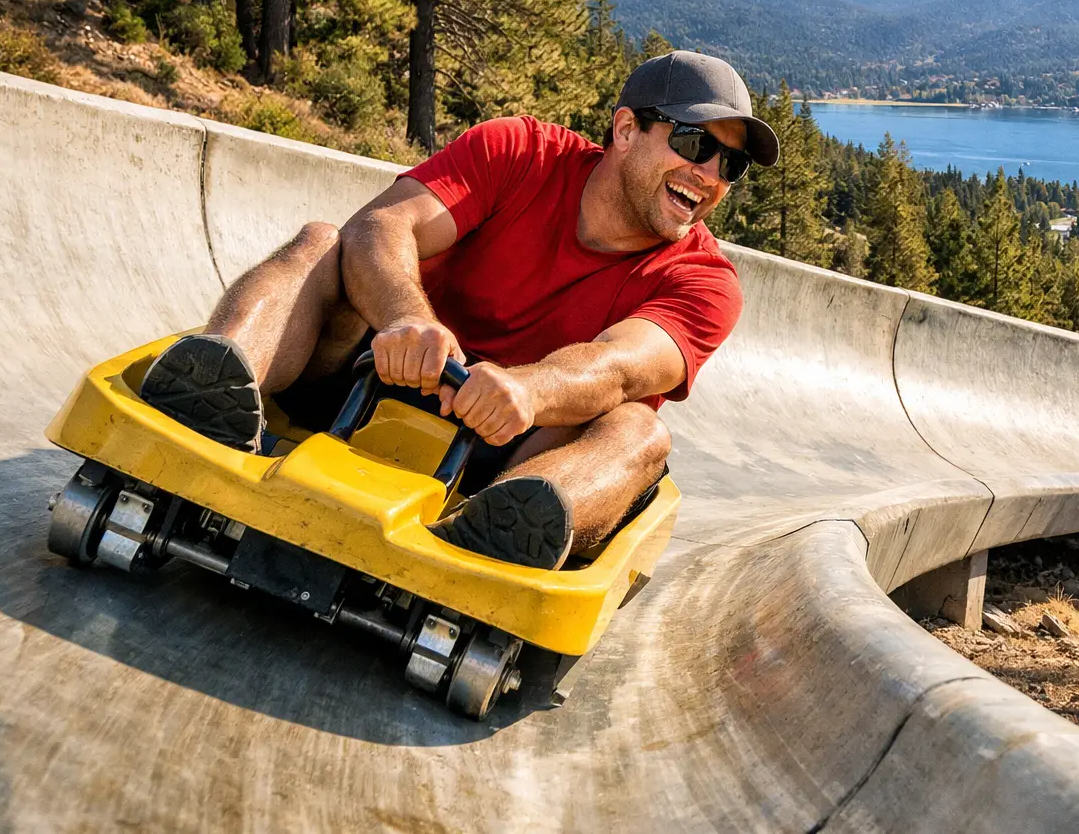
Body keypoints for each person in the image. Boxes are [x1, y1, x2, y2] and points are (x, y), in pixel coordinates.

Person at [138, 51, 778, 570]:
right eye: (696, 143)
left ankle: (500, 533)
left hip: (498, 458)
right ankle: (215, 388)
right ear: (625, 130)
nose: (713, 174)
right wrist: (405, 320)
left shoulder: (705, 281)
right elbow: (381, 226)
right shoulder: (519, 152)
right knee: (321, 242)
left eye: (734, 164)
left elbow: (618, 367)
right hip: (369, 375)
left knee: (641, 432)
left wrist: (526, 388)